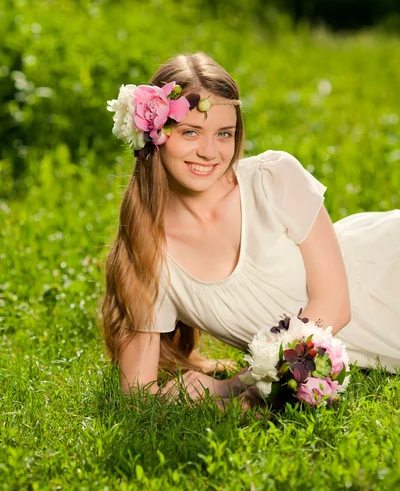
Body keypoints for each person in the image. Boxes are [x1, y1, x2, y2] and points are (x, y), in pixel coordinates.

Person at [101, 51, 400, 410]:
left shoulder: (272, 179)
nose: (209, 151)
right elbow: (137, 393)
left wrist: (235, 387)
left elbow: (334, 306)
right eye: (190, 132)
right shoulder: (147, 253)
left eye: (224, 134)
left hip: (385, 266)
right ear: (154, 136)